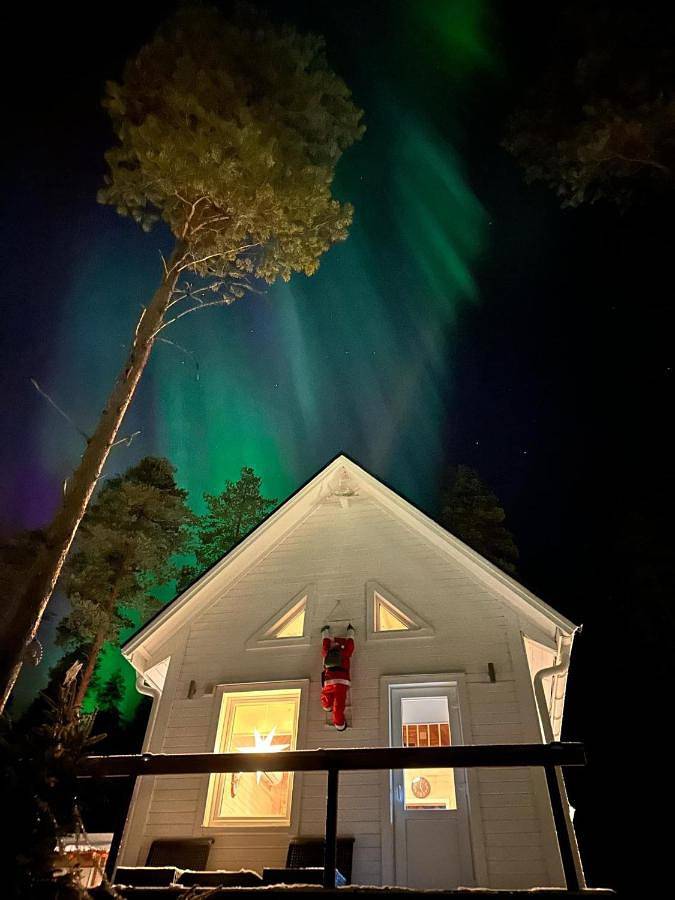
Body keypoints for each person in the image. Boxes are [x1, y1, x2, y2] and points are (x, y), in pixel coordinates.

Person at [320, 623, 355, 731]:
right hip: (340, 680)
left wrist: (325, 632)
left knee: (331, 698)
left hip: (331, 680)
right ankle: (338, 722)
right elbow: (350, 645)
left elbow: (325, 644)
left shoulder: (328, 652)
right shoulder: (344, 653)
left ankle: (327, 706)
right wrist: (351, 632)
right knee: (338, 705)